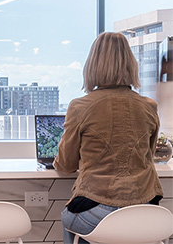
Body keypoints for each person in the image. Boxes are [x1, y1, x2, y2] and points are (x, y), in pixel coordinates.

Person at [54, 32, 163, 244]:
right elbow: (148, 157)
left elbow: (65, 165)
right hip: (146, 210)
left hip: (98, 209)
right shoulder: (149, 106)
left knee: (69, 217)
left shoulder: (81, 106)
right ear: (131, 64)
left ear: (92, 65)